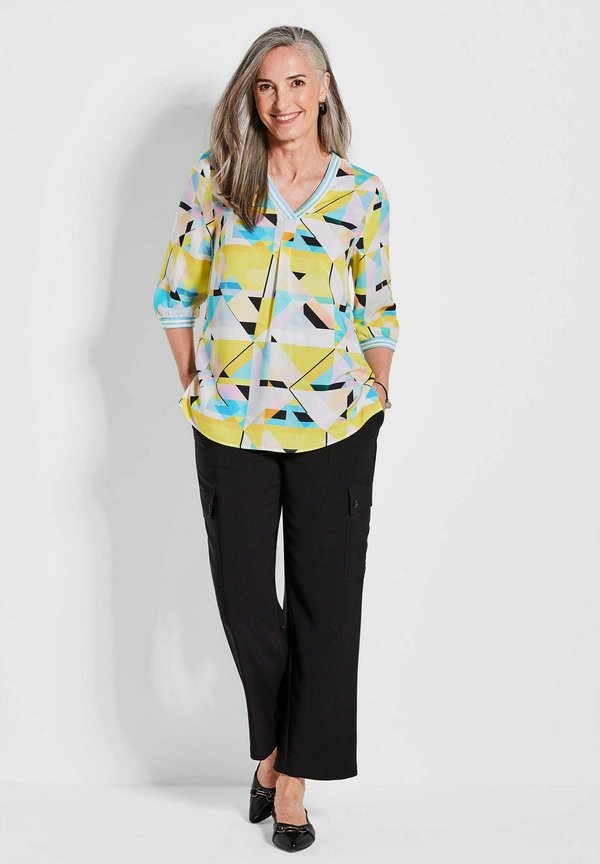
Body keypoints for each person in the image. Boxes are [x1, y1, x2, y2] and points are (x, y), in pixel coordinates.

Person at [153, 24, 399, 853]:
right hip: (231, 420)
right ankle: (277, 745)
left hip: (339, 422)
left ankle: (290, 776)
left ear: (323, 88)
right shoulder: (219, 178)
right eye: (266, 86)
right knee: (243, 590)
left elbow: (378, 304)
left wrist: (379, 388)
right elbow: (176, 291)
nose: (281, 101)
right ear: (250, 97)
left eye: (296, 83)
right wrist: (194, 380)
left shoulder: (361, 193)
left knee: (327, 602)